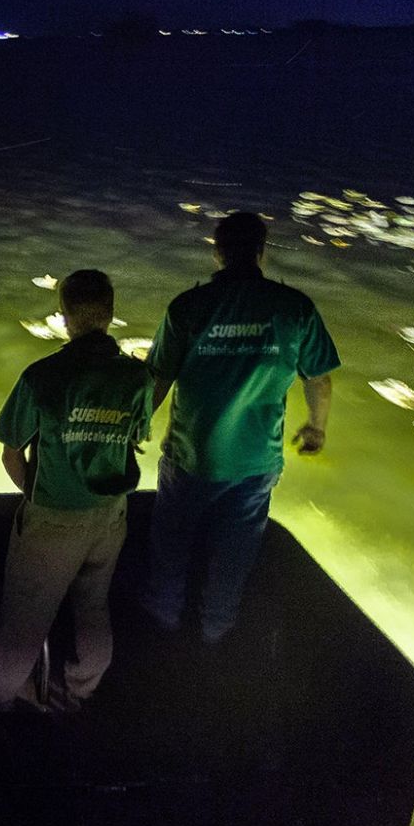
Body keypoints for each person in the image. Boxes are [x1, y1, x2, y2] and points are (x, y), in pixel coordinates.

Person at [141, 212, 341, 644]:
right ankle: (216, 630)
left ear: (217, 252)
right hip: (254, 462)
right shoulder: (295, 308)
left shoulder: (188, 307)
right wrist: (316, 429)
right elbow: (319, 380)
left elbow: (157, 378)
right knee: (233, 557)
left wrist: (136, 424)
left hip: (190, 455)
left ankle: (161, 624)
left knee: (171, 548)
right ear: (261, 252)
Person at [0, 270, 153, 710]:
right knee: (93, 608)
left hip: (53, 521)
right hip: (110, 515)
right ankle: (80, 692)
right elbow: (133, 438)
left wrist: (39, 499)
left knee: (24, 620)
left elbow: (11, 454)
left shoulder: (43, 376)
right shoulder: (138, 379)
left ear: (64, 317)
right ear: (111, 315)